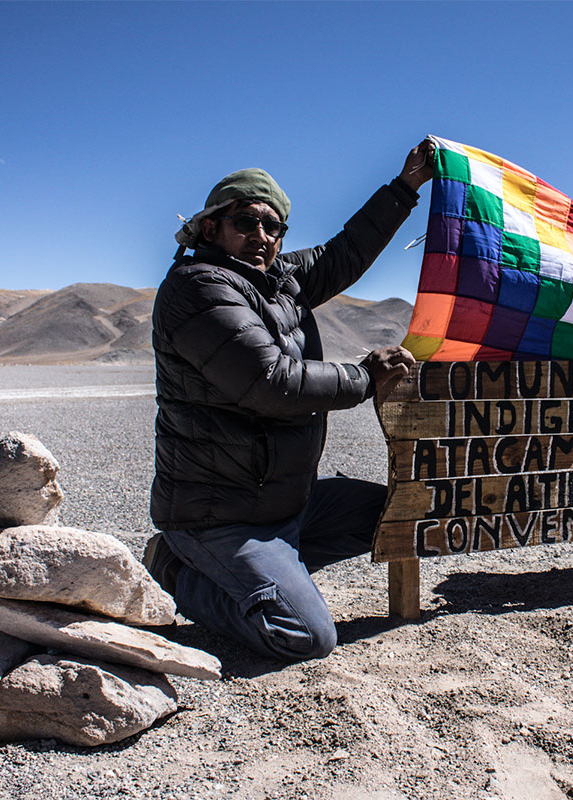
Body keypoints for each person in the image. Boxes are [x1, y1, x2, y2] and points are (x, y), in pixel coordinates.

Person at [145, 140, 435, 660]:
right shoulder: (197, 288)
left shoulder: (278, 281)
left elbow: (345, 253)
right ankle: (175, 568)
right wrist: (366, 376)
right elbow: (271, 382)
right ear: (211, 228)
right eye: (246, 222)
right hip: (219, 513)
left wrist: (405, 187)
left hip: (283, 502)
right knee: (305, 637)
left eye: (273, 226)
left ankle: (271, 572)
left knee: (393, 519)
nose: (261, 236)